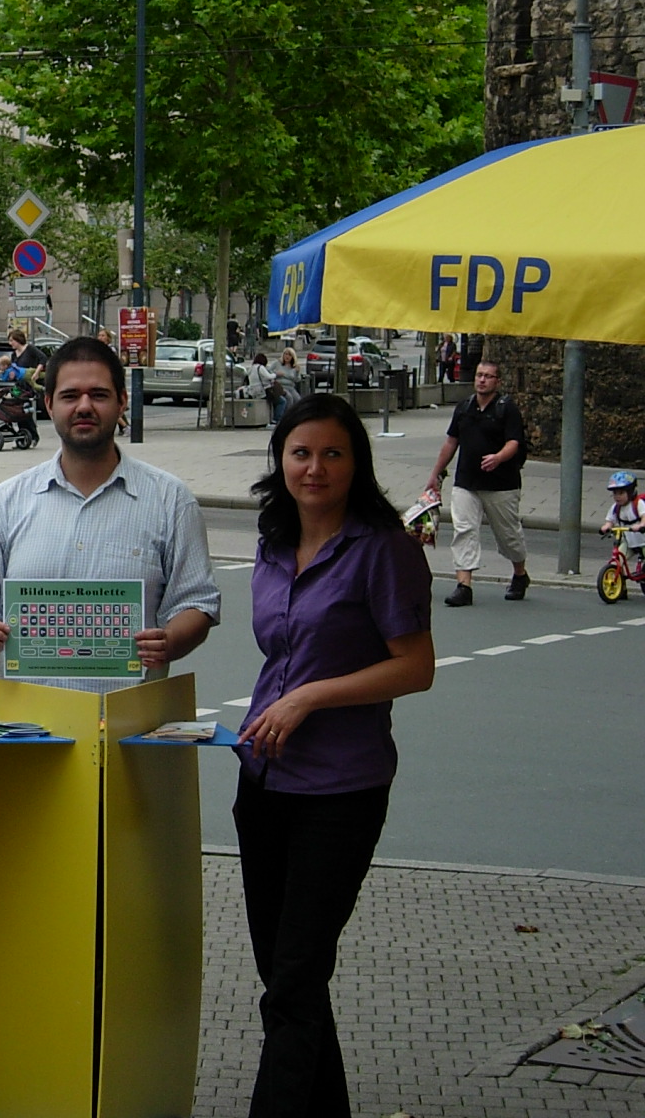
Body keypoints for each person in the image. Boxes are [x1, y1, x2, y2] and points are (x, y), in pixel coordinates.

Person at [235, 392, 434, 1118]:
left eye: (332, 453)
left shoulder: (384, 549)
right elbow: (281, 651)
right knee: (292, 980)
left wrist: (309, 698)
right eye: (300, 452)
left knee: (293, 980)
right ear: (280, 460)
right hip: (262, 780)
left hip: (340, 793)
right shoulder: (271, 540)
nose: (314, 467)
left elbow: (415, 667)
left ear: (357, 463)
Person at [0, 336, 220, 691]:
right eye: (70, 395)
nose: (85, 406)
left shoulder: (170, 501)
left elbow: (197, 601)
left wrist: (171, 640)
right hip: (28, 729)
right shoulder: (6, 502)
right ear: (48, 403)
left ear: (122, 401)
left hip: (127, 725)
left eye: (99, 394)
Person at [425, 360, 529, 607]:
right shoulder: (464, 407)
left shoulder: (506, 408)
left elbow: (514, 442)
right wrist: (436, 474)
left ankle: (520, 574)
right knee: (464, 530)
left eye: (488, 376)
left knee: (508, 536)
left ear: (497, 382)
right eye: (479, 375)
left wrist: (498, 457)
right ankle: (464, 585)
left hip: (501, 484)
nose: (482, 380)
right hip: (466, 483)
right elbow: (451, 442)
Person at [600, 470, 645, 573]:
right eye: (615, 493)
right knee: (616, 561)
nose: (617, 496)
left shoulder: (638, 504)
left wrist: (641, 525)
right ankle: (619, 584)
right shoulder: (616, 508)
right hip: (629, 543)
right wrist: (607, 526)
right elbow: (610, 520)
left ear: (630, 492)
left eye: (621, 493)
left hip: (643, 541)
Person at [270, 349, 303, 426]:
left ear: (292, 357)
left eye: (289, 355)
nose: (287, 356)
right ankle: (287, 418)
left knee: (298, 399)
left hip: (290, 387)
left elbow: (297, 380)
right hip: (280, 386)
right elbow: (268, 371)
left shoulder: (294, 367)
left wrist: (297, 372)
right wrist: (276, 374)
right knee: (289, 398)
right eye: (285, 354)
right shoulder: (277, 363)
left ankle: (297, 418)